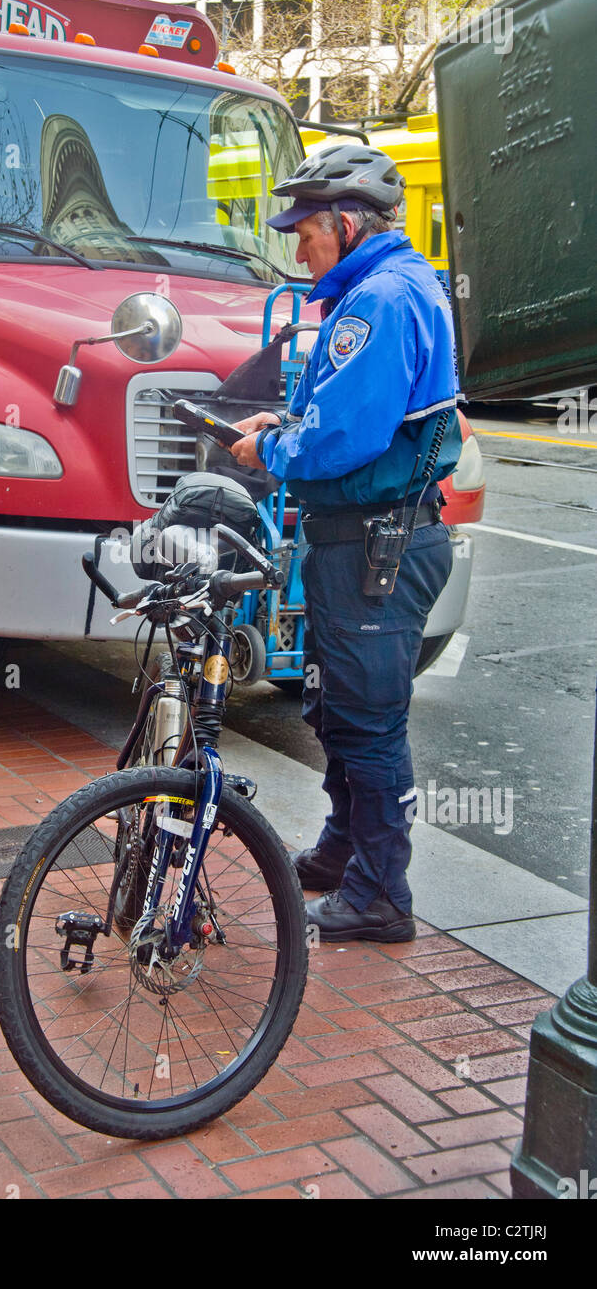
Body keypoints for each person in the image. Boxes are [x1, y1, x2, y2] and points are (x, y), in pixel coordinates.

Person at [230, 143, 462, 943]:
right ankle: (345, 847)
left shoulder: (379, 301)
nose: (298, 246)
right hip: (368, 541)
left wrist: (277, 449)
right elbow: (348, 413)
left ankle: (380, 893)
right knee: (336, 707)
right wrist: (283, 423)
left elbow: (351, 436)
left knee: (367, 723)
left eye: (307, 229)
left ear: (348, 222)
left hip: (376, 546)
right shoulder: (383, 288)